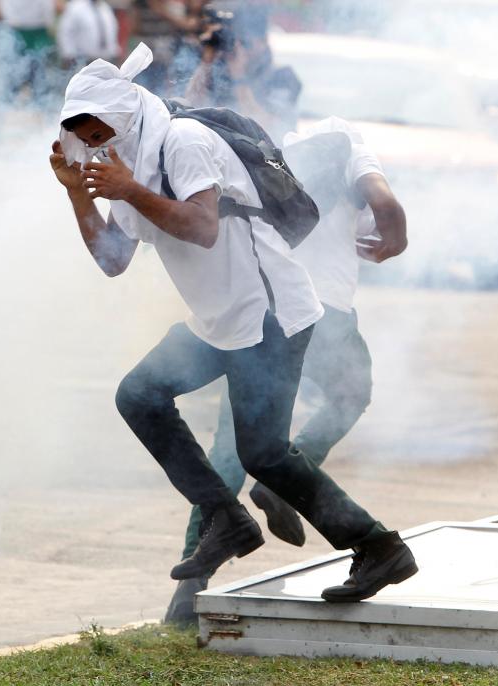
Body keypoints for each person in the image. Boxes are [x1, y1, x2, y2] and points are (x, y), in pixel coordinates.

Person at [49, 46, 418, 607]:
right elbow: (111, 258)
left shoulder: (183, 142)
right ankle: (227, 517)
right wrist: (80, 194)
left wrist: (128, 191)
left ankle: (378, 547)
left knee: (264, 454)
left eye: (99, 127)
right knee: (140, 397)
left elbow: (201, 227)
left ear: (125, 115)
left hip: (272, 315)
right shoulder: (130, 163)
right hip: (221, 322)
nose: (94, 140)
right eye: (82, 132)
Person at [164, 117, 408, 625]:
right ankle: (285, 480)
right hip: (323, 314)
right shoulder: (352, 146)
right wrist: (395, 239)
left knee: (232, 444)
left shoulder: (274, 154)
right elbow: (383, 204)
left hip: (261, 311)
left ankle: (189, 590)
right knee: (350, 393)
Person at [184, 6, 300, 143]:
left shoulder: (282, 76)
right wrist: (207, 61)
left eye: (244, 41)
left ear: (263, 41)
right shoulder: (220, 72)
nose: (237, 47)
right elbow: (188, 109)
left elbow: (267, 127)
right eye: (233, 40)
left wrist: (238, 76)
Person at [0, 0, 59, 108]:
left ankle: (12, 100)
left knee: (26, 71)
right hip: (23, 29)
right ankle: (15, 100)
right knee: (21, 71)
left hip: (29, 29)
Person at [57, 0, 120, 70]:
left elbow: (112, 32)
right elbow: (66, 33)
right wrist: (68, 55)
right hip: (82, 62)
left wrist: (114, 53)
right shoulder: (75, 7)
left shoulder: (105, 8)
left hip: (105, 62)